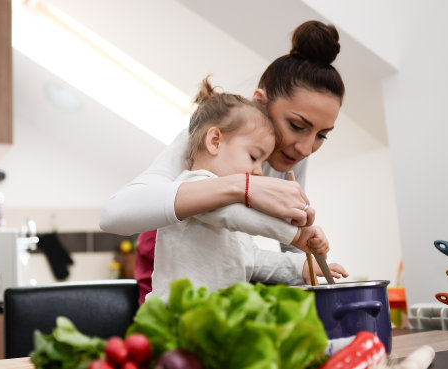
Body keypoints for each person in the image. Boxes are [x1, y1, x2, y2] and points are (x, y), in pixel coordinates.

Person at [100, 20, 348, 303]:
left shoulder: (295, 152)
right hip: (166, 263)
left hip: (223, 270)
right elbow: (113, 214)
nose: (306, 148)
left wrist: (304, 266)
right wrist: (244, 188)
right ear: (260, 101)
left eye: (322, 136)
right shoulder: (208, 139)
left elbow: (264, 248)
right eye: (296, 125)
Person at [148, 77, 335, 302]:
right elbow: (234, 217)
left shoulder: (233, 204)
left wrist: (301, 267)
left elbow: (251, 259)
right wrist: (294, 235)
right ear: (215, 142)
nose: (258, 171)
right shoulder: (193, 185)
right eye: (254, 157)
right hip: (175, 316)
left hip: (215, 318)